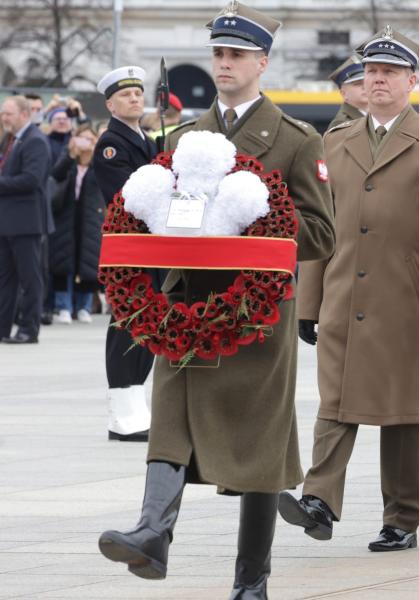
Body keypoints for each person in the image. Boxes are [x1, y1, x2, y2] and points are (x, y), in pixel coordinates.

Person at [97, 4, 335, 597]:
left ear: (262, 62)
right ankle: (153, 531)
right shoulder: (182, 137)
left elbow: (321, 232)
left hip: (254, 316)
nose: (224, 65)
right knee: (171, 419)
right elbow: (148, 212)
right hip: (182, 308)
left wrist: (250, 225)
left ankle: (251, 581)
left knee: (258, 449)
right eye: (218, 54)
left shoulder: (295, 140)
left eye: (235, 56)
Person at [280, 25, 419, 553]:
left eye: (389, 72)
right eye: (371, 72)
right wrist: (309, 300)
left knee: (403, 412)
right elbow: (322, 227)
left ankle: (402, 517)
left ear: (412, 80)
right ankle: (319, 499)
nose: (378, 80)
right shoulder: (336, 142)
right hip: (344, 293)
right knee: (335, 401)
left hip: (407, 300)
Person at [92, 65, 158, 442]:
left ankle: (135, 406)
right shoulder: (110, 144)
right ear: (111, 104)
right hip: (128, 246)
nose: (136, 98)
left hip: (148, 246)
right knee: (127, 324)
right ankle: (122, 413)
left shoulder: (146, 139)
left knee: (146, 324)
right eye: (126, 95)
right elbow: (127, 197)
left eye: (138, 93)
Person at [0, 95, 51, 344]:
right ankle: (2, 328)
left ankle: (28, 329)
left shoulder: (35, 141)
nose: (3, 117)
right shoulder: (13, 140)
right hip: (8, 222)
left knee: (30, 278)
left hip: (26, 223)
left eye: (7, 113)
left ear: (24, 114)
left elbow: (31, 179)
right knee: (5, 279)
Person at [49, 125, 102, 325]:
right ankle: (63, 306)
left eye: (90, 139)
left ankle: (84, 306)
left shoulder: (98, 163)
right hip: (66, 216)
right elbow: (56, 174)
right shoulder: (69, 161)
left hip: (90, 219)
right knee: (64, 261)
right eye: (82, 138)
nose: (86, 143)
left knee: (87, 262)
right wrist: (71, 153)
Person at [326, 54, 367, 132]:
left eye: (367, 82)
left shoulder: (375, 117)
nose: (365, 87)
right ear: (343, 94)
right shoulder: (342, 124)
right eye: (357, 84)